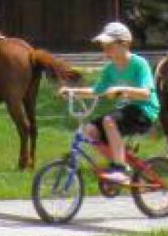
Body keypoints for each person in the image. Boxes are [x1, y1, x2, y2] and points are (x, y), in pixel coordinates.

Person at [59, 22, 158, 185]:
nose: (105, 50)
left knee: (109, 121)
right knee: (90, 130)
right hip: (127, 111)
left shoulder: (139, 64)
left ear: (124, 44)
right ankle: (120, 162)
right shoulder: (110, 69)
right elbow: (97, 91)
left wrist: (121, 89)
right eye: (103, 46)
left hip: (145, 111)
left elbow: (146, 93)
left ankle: (121, 168)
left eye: (109, 46)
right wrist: (72, 91)